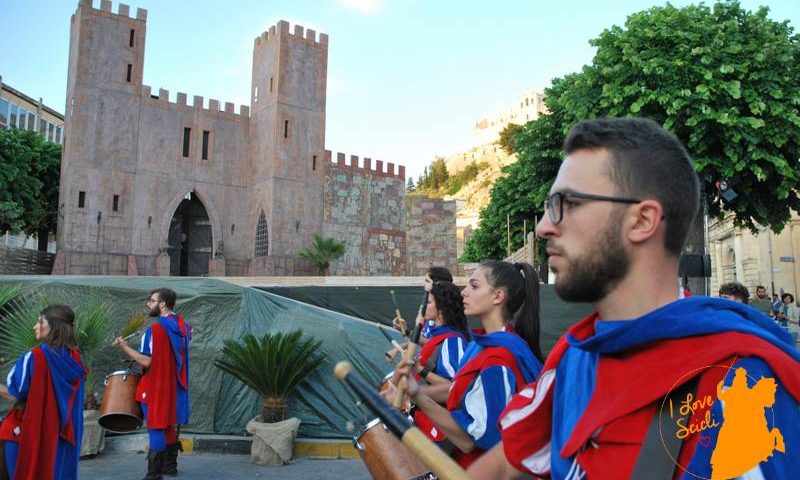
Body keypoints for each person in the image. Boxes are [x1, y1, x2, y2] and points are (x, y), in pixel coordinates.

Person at [469, 118, 800, 479]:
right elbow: (506, 464)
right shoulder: (575, 356)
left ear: (643, 221)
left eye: (567, 203)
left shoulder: (743, 385)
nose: (544, 226)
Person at [392, 260, 544, 469]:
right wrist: (414, 391)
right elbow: (457, 390)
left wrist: (418, 395)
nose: (463, 292)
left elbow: (468, 441)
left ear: (497, 296)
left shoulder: (499, 360)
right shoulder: (479, 346)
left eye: (474, 286)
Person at [0, 305, 87, 480]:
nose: (35, 326)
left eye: (40, 321)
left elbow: (16, 392)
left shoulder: (34, 357)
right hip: (66, 432)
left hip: (30, 432)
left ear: (54, 326)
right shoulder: (76, 358)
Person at [114, 289, 191, 480]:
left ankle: (154, 475)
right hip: (174, 385)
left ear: (162, 304)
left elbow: (147, 361)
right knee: (168, 425)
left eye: (152, 301)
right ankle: (170, 466)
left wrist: (125, 348)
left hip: (155, 385)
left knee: (156, 426)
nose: (149, 304)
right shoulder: (184, 326)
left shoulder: (154, 329)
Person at [395, 280, 471, 442]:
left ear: (441, 308)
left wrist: (419, 368)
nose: (424, 307)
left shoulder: (453, 341)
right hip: (426, 422)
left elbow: (454, 388)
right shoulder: (437, 335)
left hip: (439, 428)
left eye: (429, 303)